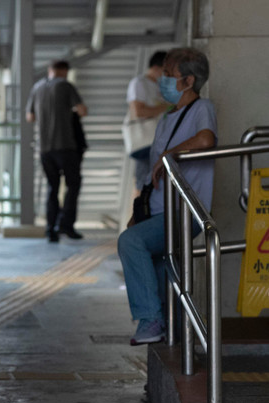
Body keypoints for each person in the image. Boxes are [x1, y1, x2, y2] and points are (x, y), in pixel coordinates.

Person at [118, 47, 216, 345]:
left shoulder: (202, 108)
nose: (163, 80)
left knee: (130, 242)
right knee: (159, 271)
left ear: (188, 81)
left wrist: (170, 155)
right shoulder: (166, 118)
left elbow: (206, 139)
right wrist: (138, 212)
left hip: (184, 214)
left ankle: (150, 319)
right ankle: (168, 331)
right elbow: (151, 174)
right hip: (157, 211)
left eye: (169, 75)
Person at [26, 59, 89, 242]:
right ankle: (66, 226)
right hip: (66, 146)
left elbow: (30, 117)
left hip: (45, 148)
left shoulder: (37, 88)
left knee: (52, 187)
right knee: (73, 184)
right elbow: (82, 111)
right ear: (64, 71)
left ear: (49, 70)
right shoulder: (66, 86)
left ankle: (50, 229)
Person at [126, 51, 170, 191]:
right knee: (144, 181)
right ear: (157, 67)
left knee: (157, 180)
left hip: (157, 140)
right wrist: (165, 107)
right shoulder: (139, 83)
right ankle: (141, 211)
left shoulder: (157, 86)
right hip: (146, 141)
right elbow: (138, 112)